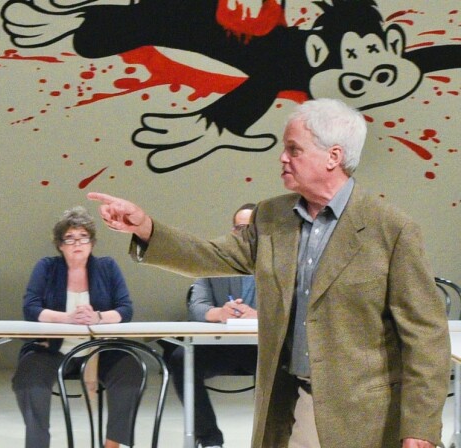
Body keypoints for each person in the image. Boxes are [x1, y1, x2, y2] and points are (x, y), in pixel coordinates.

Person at [89, 98, 449, 448]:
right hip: (287, 408)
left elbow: (425, 335)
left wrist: (419, 426)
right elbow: (209, 255)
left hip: (362, 419)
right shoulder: (271, 217)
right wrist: (146, 228)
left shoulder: (390, 229)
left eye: (294, 149)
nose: (282, 158)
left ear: (333, 157)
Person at [12, 206, 143, 448]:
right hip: (52, 349)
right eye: (69, 238)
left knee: (131, 372)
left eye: (83, 237)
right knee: (28, 380)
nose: (77, 243)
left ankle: (112, 444)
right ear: (60, 245)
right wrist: (67, 318)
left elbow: (125, 310)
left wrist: (98, 317)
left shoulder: (107, 267)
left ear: (92, 243)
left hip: (101, 350)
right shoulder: (47, 267)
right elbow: (31, 309)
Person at [164, 203, 258, 448]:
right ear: (232, 231)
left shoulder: (279, 261)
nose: (245, 233)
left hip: (262, 348)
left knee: (285, 362)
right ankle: (209, 439)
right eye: (240, 228)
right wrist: (221, 313)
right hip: (221, 345)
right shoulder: (216, 258)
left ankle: (271, 437)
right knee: (180, 358)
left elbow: (290, 307)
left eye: (251, 227)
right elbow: (196, 305)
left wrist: (256, 315)